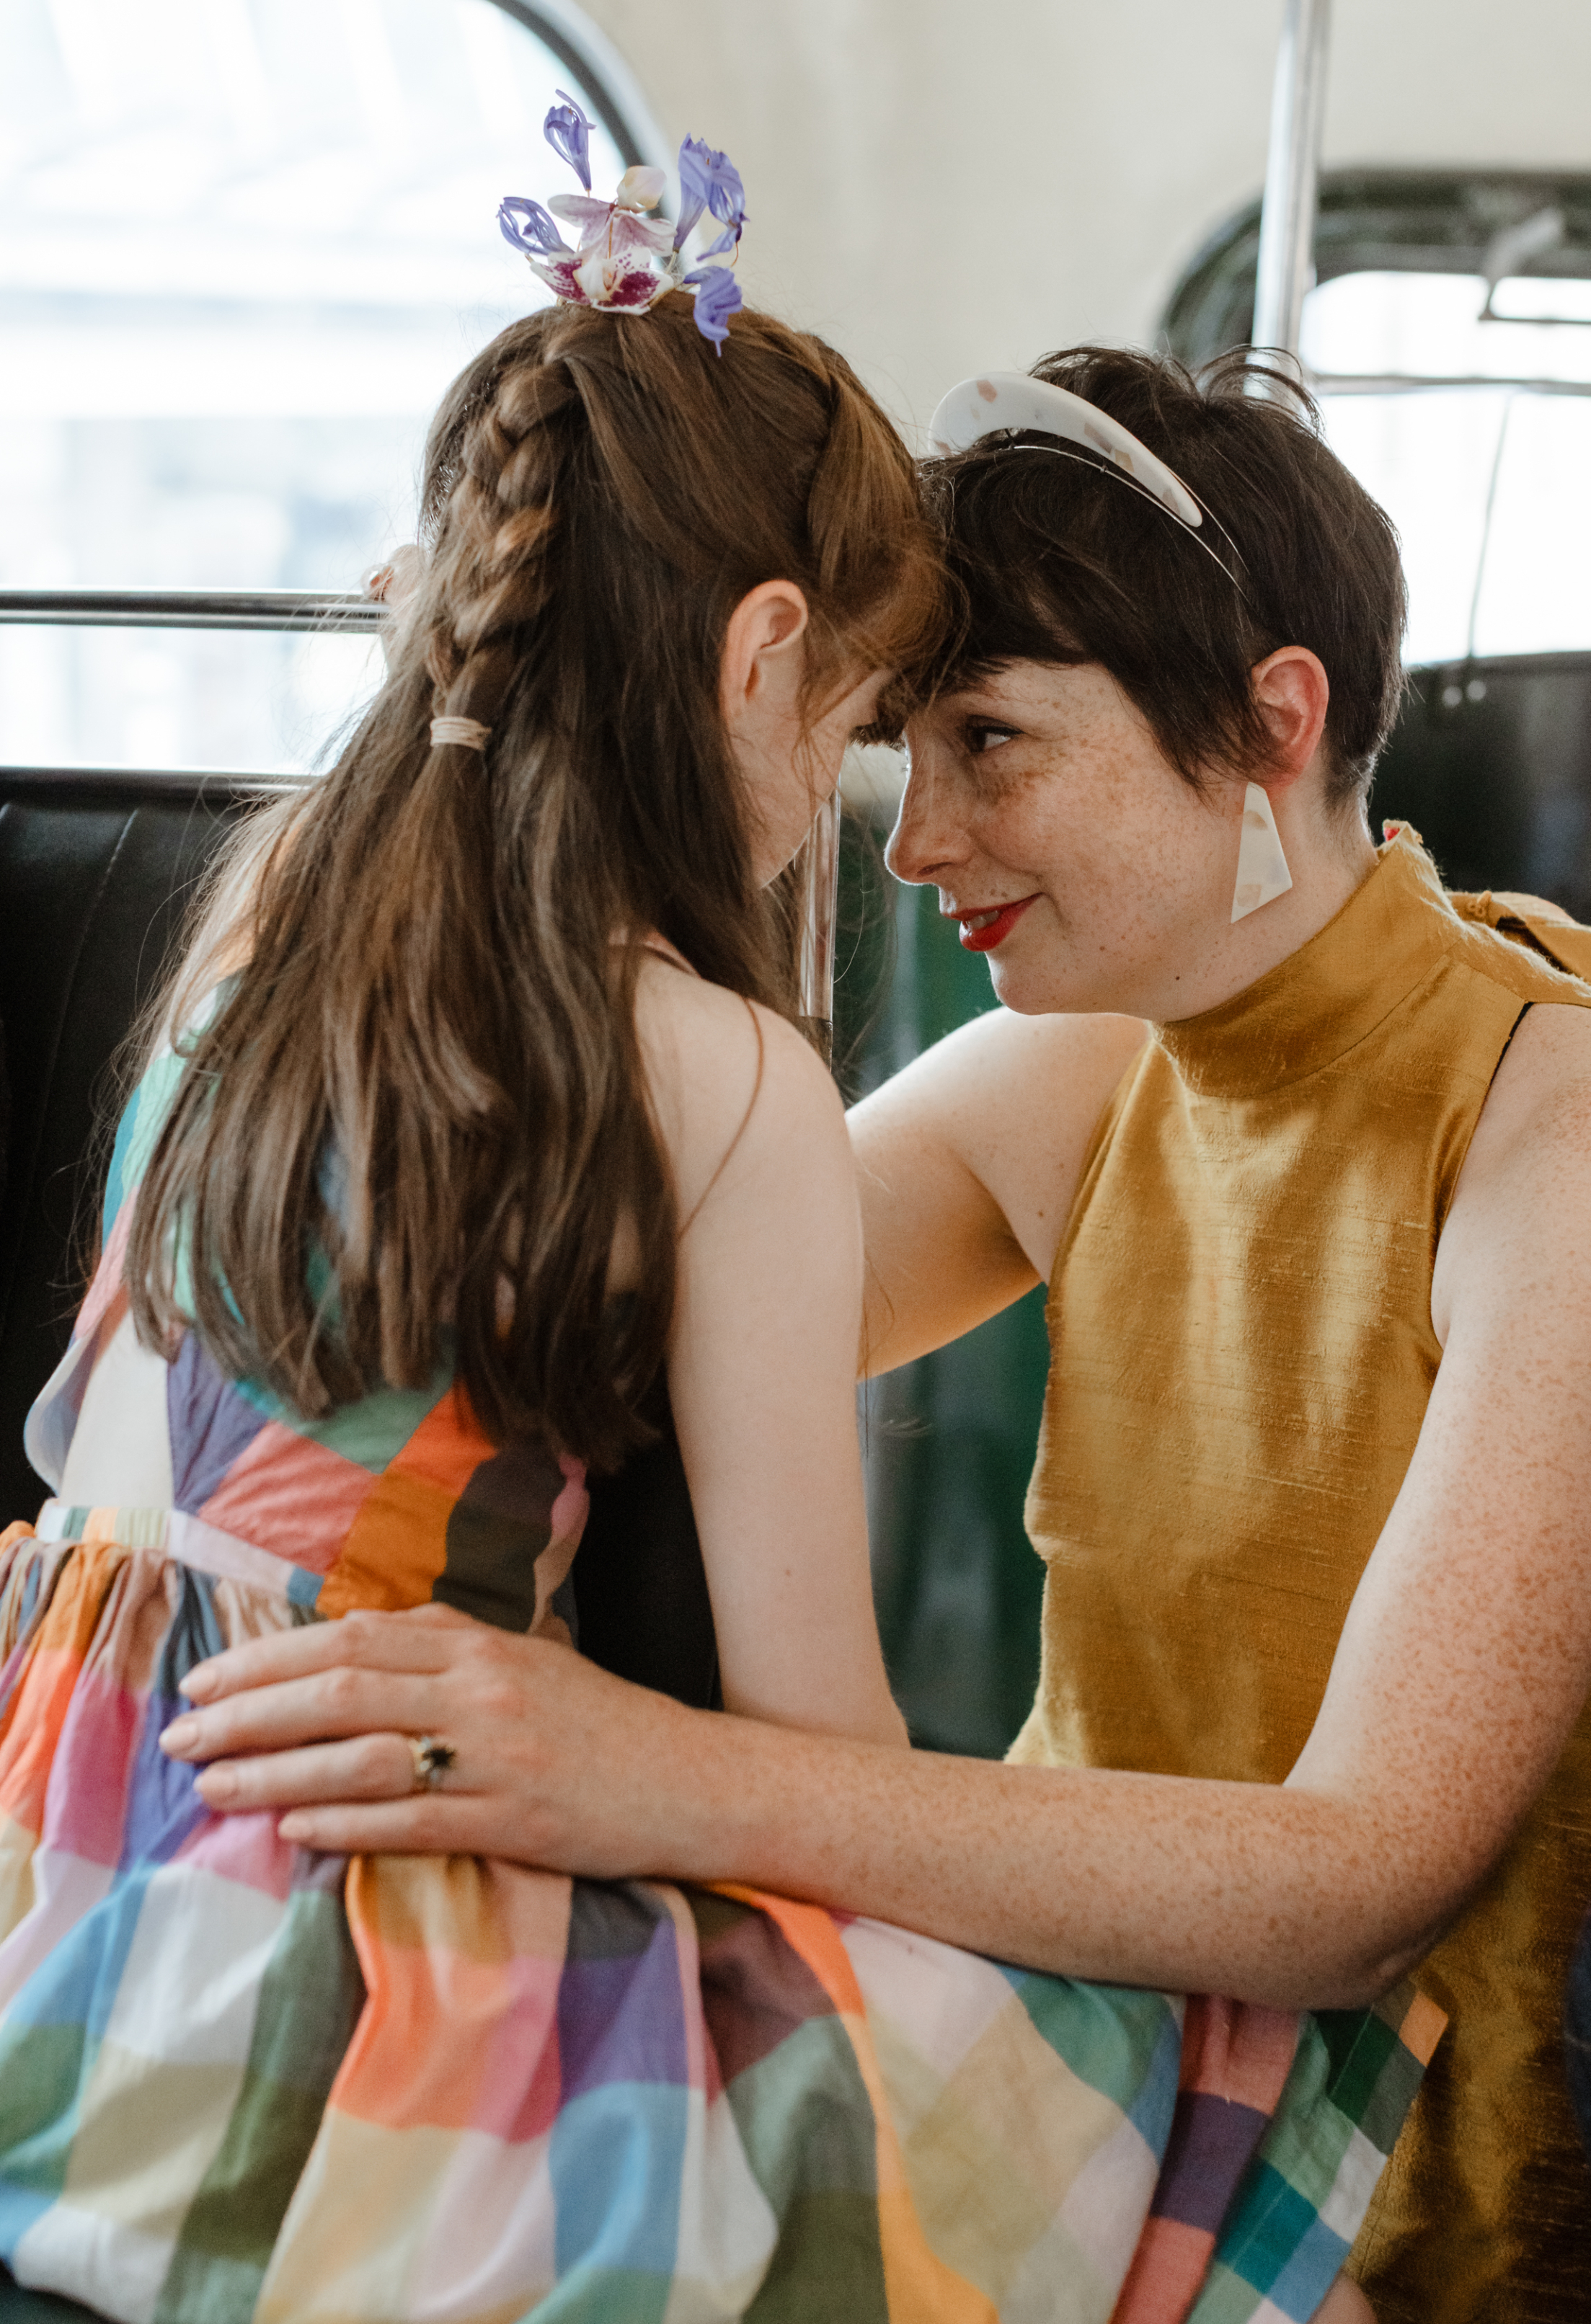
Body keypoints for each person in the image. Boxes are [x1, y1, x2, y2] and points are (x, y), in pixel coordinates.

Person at [0, 115, 1424, 2324]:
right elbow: (818, 1747)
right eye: (866, 730)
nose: (887, 829)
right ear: (763, 659)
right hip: (342, 1932)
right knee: (1241, 2079)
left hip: (65, 1836)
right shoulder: (720, 1075)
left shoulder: (266, 911)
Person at [157, 338, 1591, 2323]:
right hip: (1095, 2094)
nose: (911, 845)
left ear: (1273, 720)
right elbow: (563, 1311)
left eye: (993, 742)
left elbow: (1360, 1886)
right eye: (900, 751)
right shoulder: (1087, 1070)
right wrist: (469, 729)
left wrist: (640, 1770)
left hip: (1418, 2216)